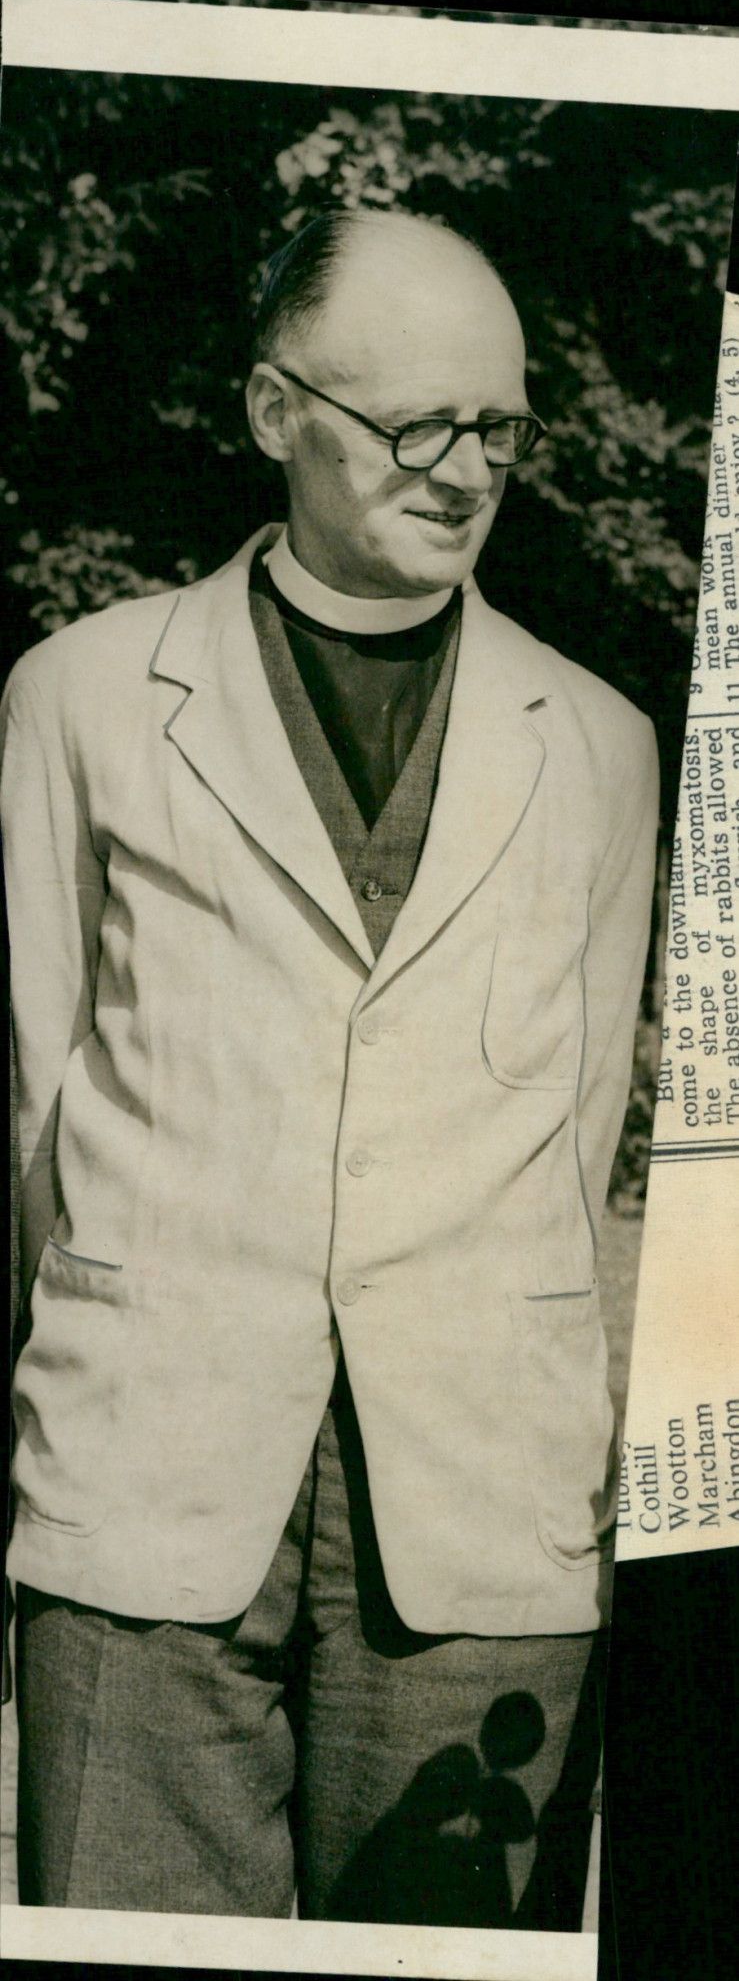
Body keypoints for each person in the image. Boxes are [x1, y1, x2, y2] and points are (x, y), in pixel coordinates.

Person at [1, 207, 659, 1926]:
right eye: (412, 425)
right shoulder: (76, 698)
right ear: (271, 409)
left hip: (478, 1519)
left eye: (500, 428)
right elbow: (34, 1106)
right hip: (145, 1499)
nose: (465, 471)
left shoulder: (599, 743)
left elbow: (581, 1146)